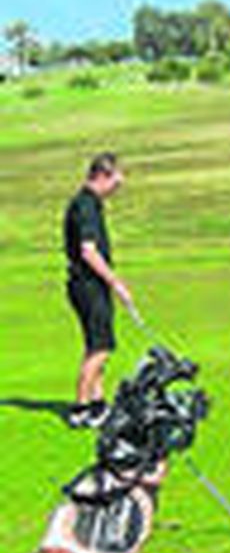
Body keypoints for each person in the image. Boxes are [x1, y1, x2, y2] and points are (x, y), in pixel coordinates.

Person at [63, 153, 134, 428]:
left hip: (90, 285)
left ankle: (97, 405)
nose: (115, 190)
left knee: (97, 345)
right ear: (101, 176)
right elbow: (88, 251)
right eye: (115, 183)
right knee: (100, 348)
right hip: (88, 285)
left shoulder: (90, 203)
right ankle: (80, 409)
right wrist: (115, 282)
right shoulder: (85, 207)